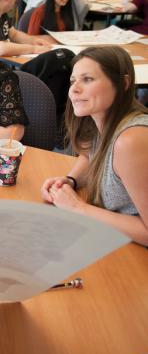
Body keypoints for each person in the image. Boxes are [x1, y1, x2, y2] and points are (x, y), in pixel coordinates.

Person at [41, 46, 148, 246]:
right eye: (73, 81)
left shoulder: (131, 139)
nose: (74, 89)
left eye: (88, 79)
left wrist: (77, 208)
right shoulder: (100, 118)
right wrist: (70, 180)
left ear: (123, 83)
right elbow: (91, 155)